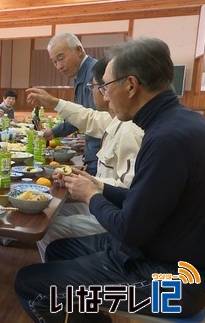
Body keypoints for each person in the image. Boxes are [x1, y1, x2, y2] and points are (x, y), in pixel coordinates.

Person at [15, 38, 205, 321]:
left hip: (167, 284)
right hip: (157, 257)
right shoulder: (179, 122)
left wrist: (91, 196)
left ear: (131, 86)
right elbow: (143, 200)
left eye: (106, 87)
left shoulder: (166, 140)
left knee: (30, 284)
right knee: (59, 250)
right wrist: (99, 186)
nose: (104, 96)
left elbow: (129, 229)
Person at [26, 57, 144, 261]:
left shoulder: (130, 129)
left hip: (113, 213)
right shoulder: (116, 118)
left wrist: (87, 183)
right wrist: (55, 102)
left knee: (46, 226)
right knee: (48, 210)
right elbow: (88, 117)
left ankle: (61, 276)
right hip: (105, 199)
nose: (98, 94)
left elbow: (128, 192)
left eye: (96, 87)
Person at [45, 32, 101, 175]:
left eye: (61, 58)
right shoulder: (80, 74)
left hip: (100, 156)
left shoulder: (94, 73)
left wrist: (54, 102)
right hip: (92, 151)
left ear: (78, 50)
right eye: (54, 62)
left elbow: (93, 118)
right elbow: (79, 115)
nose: (59, 66)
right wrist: (54, 132)